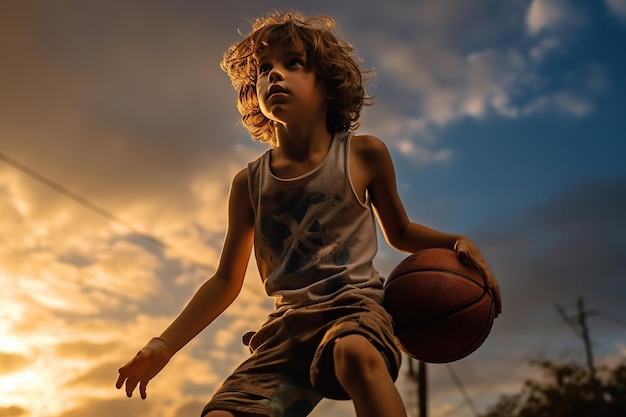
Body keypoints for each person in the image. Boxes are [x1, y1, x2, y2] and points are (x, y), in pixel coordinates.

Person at [115, 10, 502, 417]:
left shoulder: (363, 155)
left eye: (292, 63)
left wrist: (455, 241)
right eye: (264, 69)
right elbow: (225, 280)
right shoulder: (248, 184)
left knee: (353, 354)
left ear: (328, 84)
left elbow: (400, 232)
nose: (274, 75)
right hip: (287, 328)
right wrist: (164, 344)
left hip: (354, 309)